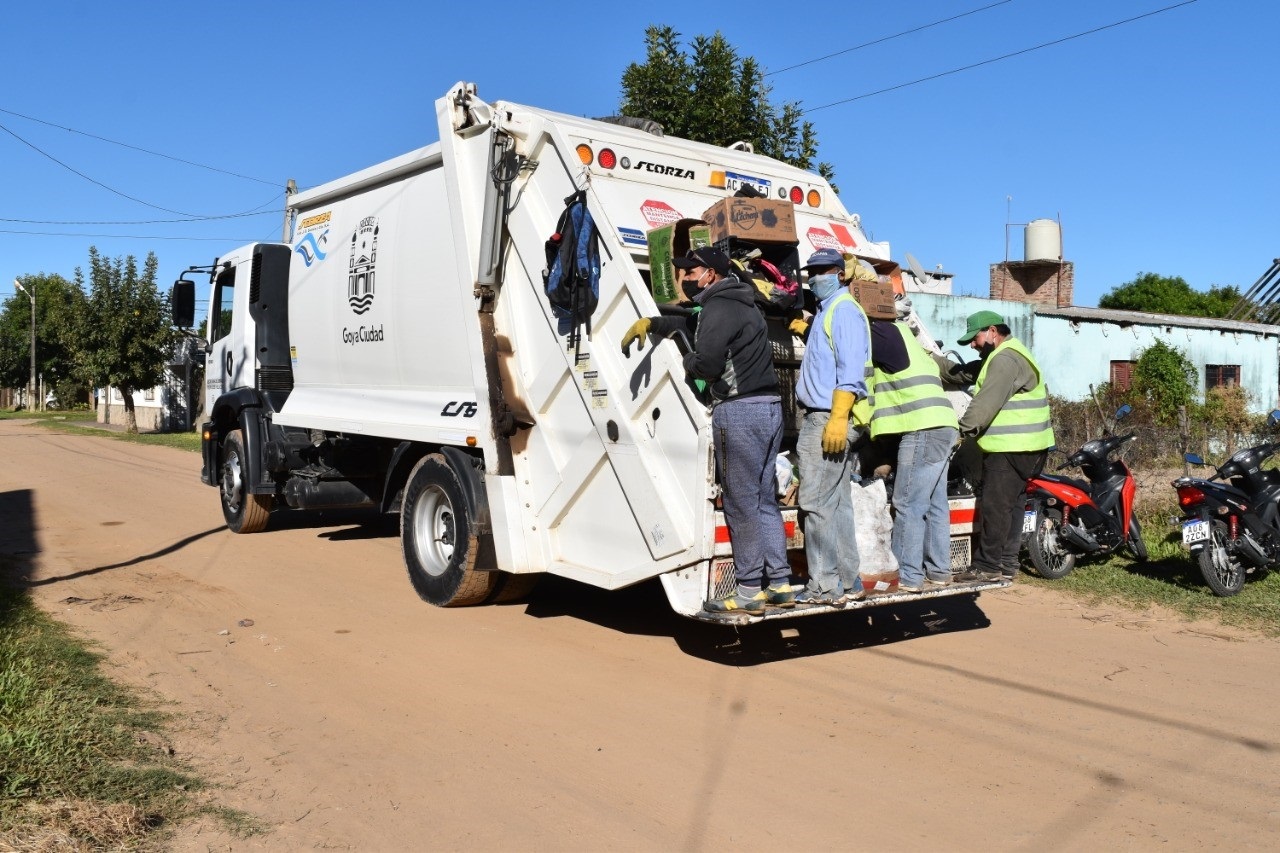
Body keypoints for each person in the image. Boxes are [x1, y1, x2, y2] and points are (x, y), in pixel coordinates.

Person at [620, 246, 794, 614]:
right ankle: (779, 584)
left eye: (692, 271)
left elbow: (708, 363)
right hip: (770, 407)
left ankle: (748, 590)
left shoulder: (718, 307)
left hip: (739, 412)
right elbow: (689, 323)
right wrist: (656, 324)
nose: (685, 278)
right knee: (764, 499)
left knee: (740, 501)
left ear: (710, 275)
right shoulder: (744, 304)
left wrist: (688, 361)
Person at [939, 310, 1054, 582]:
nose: (972, 345)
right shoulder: (1007, 355)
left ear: (992, 331)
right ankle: (1006, 563)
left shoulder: (1003, 360)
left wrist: (959, 433)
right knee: (1013, 505)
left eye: (975, 338)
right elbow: (958, 374)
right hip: (1028, 448)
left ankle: (987, 567)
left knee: (994, 506)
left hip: (1010, 447)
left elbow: (984, 404)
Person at [792, 247, 872, 605]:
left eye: (822, 270)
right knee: (836, 503)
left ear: (840, 274)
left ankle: (824, 586)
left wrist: (839, 417)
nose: (814, 277)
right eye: (811, 271)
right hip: (828, 415)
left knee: (815, 503)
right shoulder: (829, 311)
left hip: (828, 417)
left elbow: (851, 370)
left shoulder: (843, 310)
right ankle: (846, 580)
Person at [868, 305, 960, 593]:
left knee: (908, 504)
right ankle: (939, 571)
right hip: (943, 425)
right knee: (934, 504)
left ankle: (907, 576)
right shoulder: (911, 340)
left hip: (923, 428)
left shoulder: (880, 332)